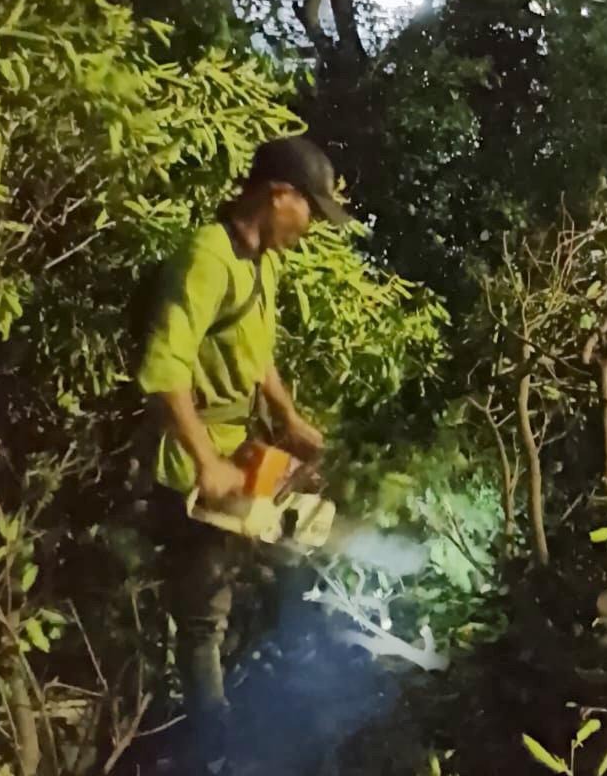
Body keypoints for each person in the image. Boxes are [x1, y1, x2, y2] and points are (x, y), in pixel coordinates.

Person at [135, 136, 351, 770]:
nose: (312, 225)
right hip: (194, 465)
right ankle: (213, 747)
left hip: (243, 450)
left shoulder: (264, 263)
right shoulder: (206, 257)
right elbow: (164, 369)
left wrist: (288, 418)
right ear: (279, 195)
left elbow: (257, 357)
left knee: (285, 558)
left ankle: (268, 699)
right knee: (203, 617)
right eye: (310, 209)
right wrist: (206, 461)